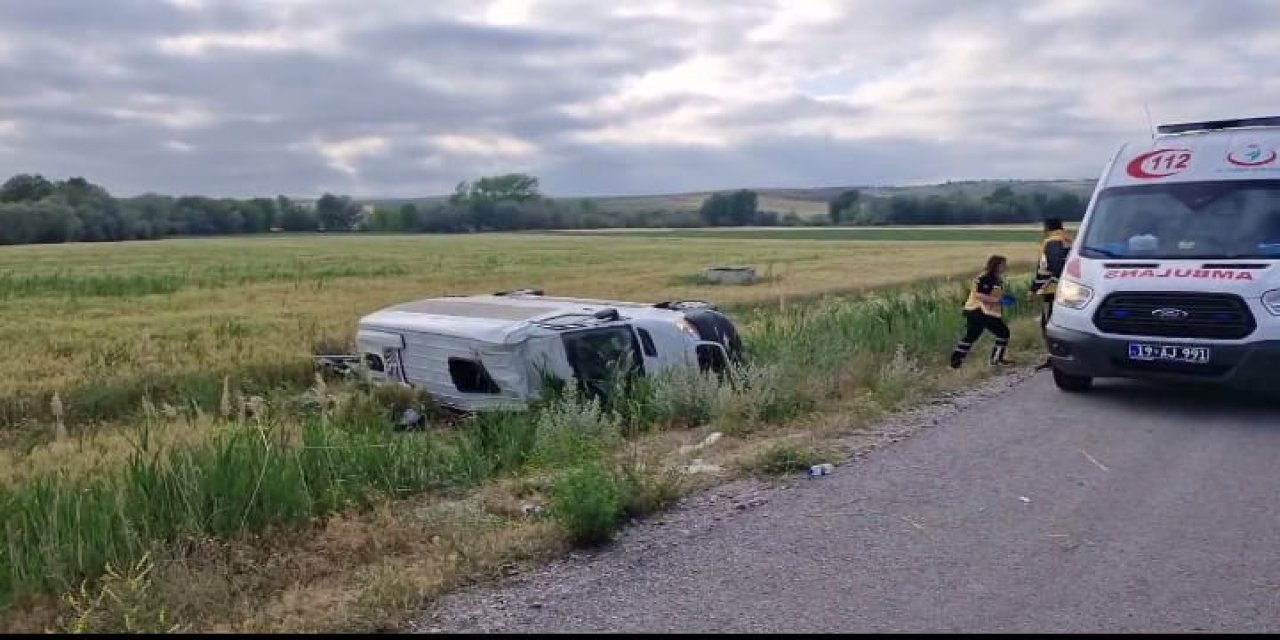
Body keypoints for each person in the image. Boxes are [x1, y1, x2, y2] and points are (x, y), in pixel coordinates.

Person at [950, 254, 1012, 369]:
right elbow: (978, 294)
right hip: (978, 311)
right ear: (996, 265)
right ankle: (995, 360)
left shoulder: (996, 279)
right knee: (1002, 333)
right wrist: (997, 301)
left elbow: (992, 293)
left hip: (986, 312)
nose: (1005, 267)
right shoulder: (986, 277)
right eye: (1003, 265)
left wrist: (1003, 299)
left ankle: (956, 362)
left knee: (973, 336)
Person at [1030, 218, 1072, 368]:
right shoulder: (1068, 239)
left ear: (1047, 227)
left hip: (1052, 288)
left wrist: (1034, 288)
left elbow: (1052, 266)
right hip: (1068, 289)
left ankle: (1055, 358)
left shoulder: (1052, 242)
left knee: (1049, 325)